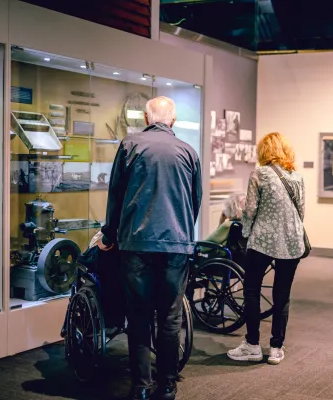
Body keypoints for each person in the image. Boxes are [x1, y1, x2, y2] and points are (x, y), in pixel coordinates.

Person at [98, 96, 202, 400]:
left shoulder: (130, 146)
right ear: (173, 121)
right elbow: (194, 202)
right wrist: (181, 232)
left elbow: (115, 195)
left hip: (137, 243)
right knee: (171, 317)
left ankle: (140, 387)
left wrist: (109, 234)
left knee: (139, 315)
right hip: (176, 244)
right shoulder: (189, 151)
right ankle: (167, 385)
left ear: (146, 117)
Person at [227, 132, 305, 366]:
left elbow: (250, 210)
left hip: (263, 240)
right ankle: (276, 348)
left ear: (264, 151)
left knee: (251, 290)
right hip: (292, 242)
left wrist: (246, 234)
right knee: (282, 295)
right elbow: (301, 212)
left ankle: (252, 345)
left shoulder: (259, 174)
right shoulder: (297, 177)